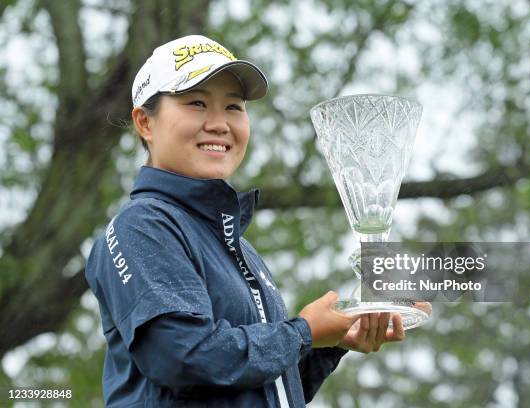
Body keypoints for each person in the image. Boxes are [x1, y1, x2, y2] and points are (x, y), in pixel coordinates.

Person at [85, 34, 409, 408]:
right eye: (197, 103)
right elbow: (182, 357)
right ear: (145, 122)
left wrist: (327, 344)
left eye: (234, 107)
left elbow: (262, 391)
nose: (219, 124)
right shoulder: (143, 226)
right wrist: (302, 332)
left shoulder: (237, 245)